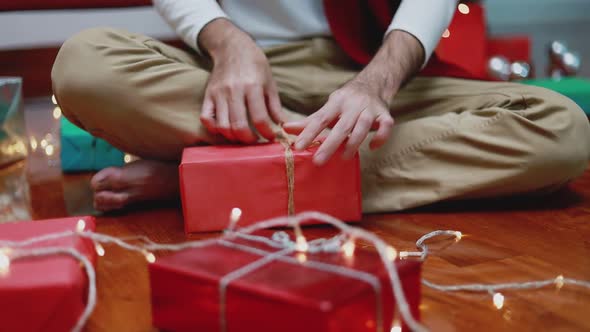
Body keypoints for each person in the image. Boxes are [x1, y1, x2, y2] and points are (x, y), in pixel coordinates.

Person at [52, 0, 590, 213]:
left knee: (562, 128)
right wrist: (228, 43)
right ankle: (283, 176)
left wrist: (376, 84)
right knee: (83, 64)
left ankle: (211, 181)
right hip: (241, 74)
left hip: (372, 63)